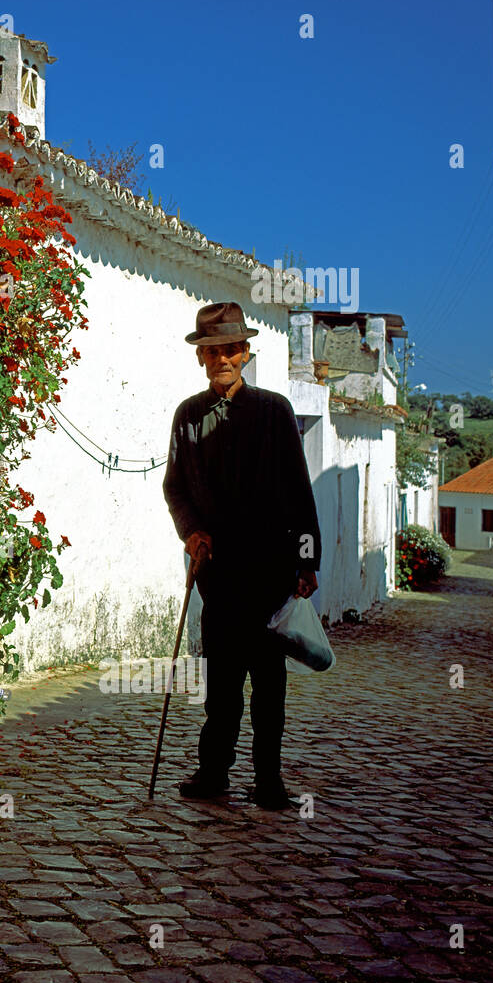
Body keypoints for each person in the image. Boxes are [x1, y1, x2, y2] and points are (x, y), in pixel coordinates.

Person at [162, 302, 322, 810]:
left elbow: (300, 491)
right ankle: (214, 774)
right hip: (219, 576)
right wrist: (191, 533)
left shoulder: (274, 411)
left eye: (231, 350)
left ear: (246, 354)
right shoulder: (187, 416)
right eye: (212, 352)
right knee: (222, 686)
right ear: (201, 359)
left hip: (270, 573)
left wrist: (306, 562)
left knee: (269, 687)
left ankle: (268, 782)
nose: (222, 359)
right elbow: (176, 489)